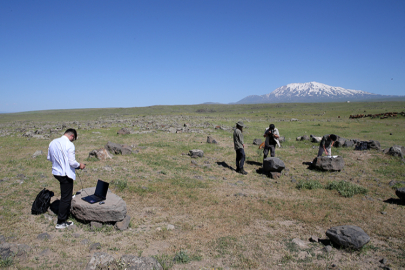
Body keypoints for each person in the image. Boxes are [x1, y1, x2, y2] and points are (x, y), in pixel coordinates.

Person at [47, 129, 86, 229]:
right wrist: (80, 165)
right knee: (65, 198)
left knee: (65, 193)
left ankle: (64, 210)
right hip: (65, 174)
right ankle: (61, 222)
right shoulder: (69, 145)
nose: (73, 141)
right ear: (72, 136)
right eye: (73, 139)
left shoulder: (53, 142)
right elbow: (72, 162)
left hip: (56, 172)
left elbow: (50, 158)